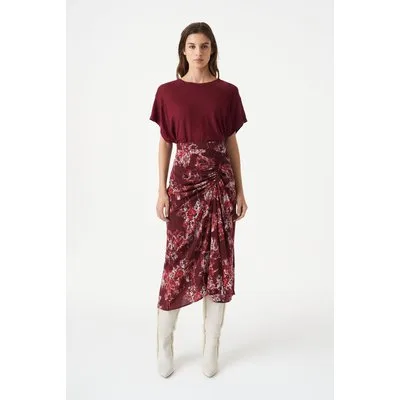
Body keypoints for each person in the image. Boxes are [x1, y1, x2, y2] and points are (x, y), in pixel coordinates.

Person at [149, 22, 248, 378]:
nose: (198, 52)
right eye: (192, 46)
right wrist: (161, 189)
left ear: (212, 50)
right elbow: (166, 142)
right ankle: (164, 344)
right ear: (183, 50)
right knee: (176, 263)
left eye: (205, 46)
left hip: (220, 184)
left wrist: (240, 189)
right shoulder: (167, 92)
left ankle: (211, 347)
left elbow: (231, 142)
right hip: (183, 185)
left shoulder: (228, 92)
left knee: (219, 264)